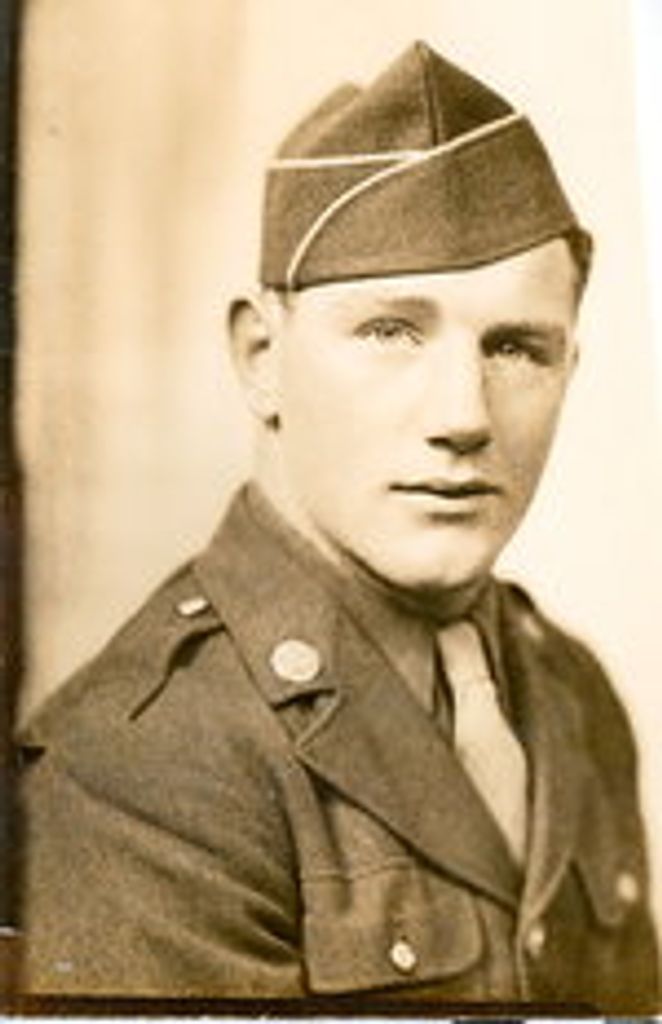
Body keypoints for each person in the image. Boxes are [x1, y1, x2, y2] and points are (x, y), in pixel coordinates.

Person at [17, 40, 659, 1010]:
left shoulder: (570, 693)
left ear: (570, 368)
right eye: (390, 331)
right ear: (260, 358)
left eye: (516, 347)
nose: (463, 415)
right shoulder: (144, 765)